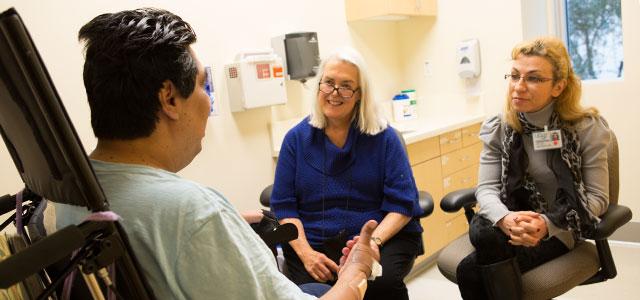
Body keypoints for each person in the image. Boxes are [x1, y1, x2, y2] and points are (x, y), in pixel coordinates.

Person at [53, 8, 380, 299]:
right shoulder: (194, 212)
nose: (208, 102)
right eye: (202, 85)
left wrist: (225, 224)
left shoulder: (74, 193)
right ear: (169, 99)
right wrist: (356, 274)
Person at [456, 37, 611, 299]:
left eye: (534, 78)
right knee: (487, 235)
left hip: (559, 229)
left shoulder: (585, 129)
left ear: (558, 87)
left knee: (470, 271)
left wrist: (546, 224)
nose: (519, 87)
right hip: (506, 219)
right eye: (514, 75)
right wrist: (506, 219)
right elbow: (486, 188)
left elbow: (598, 199)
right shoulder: (501, 126)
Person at [270, 47, 424, 300]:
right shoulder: (295, 140)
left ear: (359, 94)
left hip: (379, 238)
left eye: (346, 86)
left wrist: (370, 244)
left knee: (378, 287)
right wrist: (307, 254)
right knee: (308, 294)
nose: (334, 92)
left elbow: (403, 204)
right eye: (328, 83)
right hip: (315, 245)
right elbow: (284, 207)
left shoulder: (384, 139)